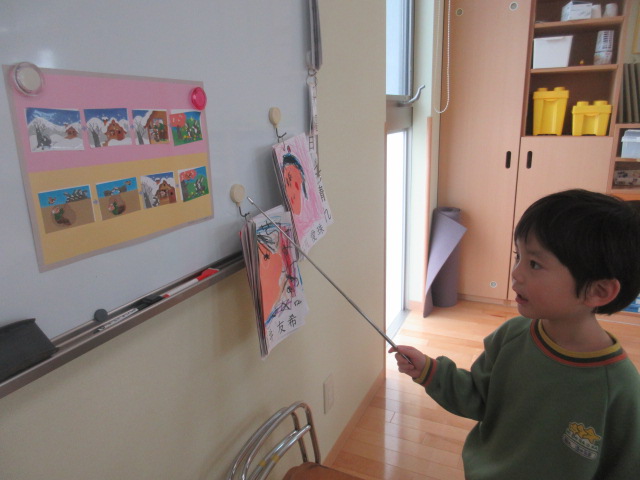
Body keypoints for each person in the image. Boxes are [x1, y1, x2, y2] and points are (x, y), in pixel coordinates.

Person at [391, 189, 640, 479]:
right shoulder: (513, 335)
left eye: (534, 264)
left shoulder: (620, 389)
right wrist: (429, 370)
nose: (516, 273)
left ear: (598, 291)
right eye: (518, 256)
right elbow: (480, 397)